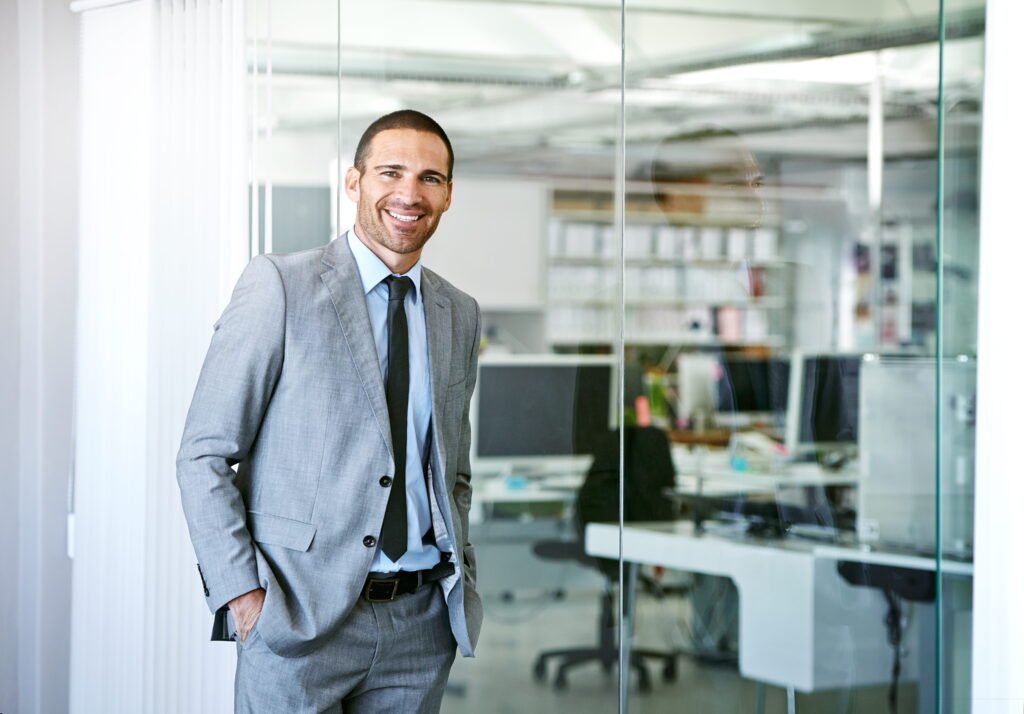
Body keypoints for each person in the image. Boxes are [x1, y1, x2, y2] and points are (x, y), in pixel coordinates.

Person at [176, 109, 482, 713]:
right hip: (297, 622)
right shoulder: (280, 287)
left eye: (430, 178)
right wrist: (244, 598)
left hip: (420, 628)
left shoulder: (459, 312)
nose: (409, 193)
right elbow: (204, 454)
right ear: (353, 182)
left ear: (448, 195)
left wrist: (460, 572)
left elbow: (453, 469)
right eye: (390, 172)